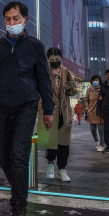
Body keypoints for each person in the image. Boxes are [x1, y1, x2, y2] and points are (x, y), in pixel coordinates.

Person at [0, 1, 54, 216]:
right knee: (2, 156)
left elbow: (44, 80)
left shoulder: (36, 46)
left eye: (16, 19)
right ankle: (19, 188)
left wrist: (48, 109)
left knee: (19, 156)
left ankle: (19, 205)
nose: (12, 23)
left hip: (26, 106)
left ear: (25, 20)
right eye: (8, 19)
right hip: (1, 107)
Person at [38, 47, 77, 182]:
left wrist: (70, 88)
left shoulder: (67, 73)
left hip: (64, 111)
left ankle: (62, 169)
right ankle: (50, 164)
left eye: (57, 60)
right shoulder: (43, 71)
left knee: (64, 142)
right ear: (48, 59)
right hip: (48, 109)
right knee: (50, 139)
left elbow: (73, 92)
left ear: (61, 58)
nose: (55, 62)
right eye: (52, 60)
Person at [85, 75, 104, 152]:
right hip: (91, 112)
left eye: (97, 80)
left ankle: (102, 145)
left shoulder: (102, 89)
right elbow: (86, 100)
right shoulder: (89, 89)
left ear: (99, 81)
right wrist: (87, 108)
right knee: (93, 130)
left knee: (101, 130)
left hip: (100, 112)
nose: (95, 81)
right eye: (94, 80)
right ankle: (97, 142)